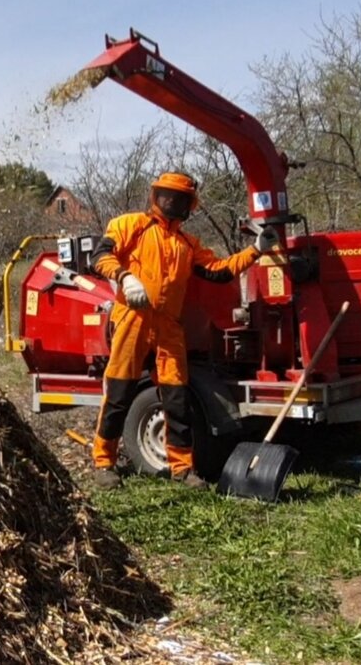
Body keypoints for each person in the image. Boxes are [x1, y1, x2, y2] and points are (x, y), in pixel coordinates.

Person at [89, 172, 279, 489]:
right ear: (156, 196)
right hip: (132, 320)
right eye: (167, 196)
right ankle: (103, 463)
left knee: (177, 400)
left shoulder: (188, 244)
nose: (171, 203)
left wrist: (255, 250)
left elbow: (219, 272)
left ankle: (182, 468)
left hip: (169, 327)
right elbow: (100, 255)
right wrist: (125, 277)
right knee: (119, 395)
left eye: (179, 199)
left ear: (188, 205)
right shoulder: (130, 225)